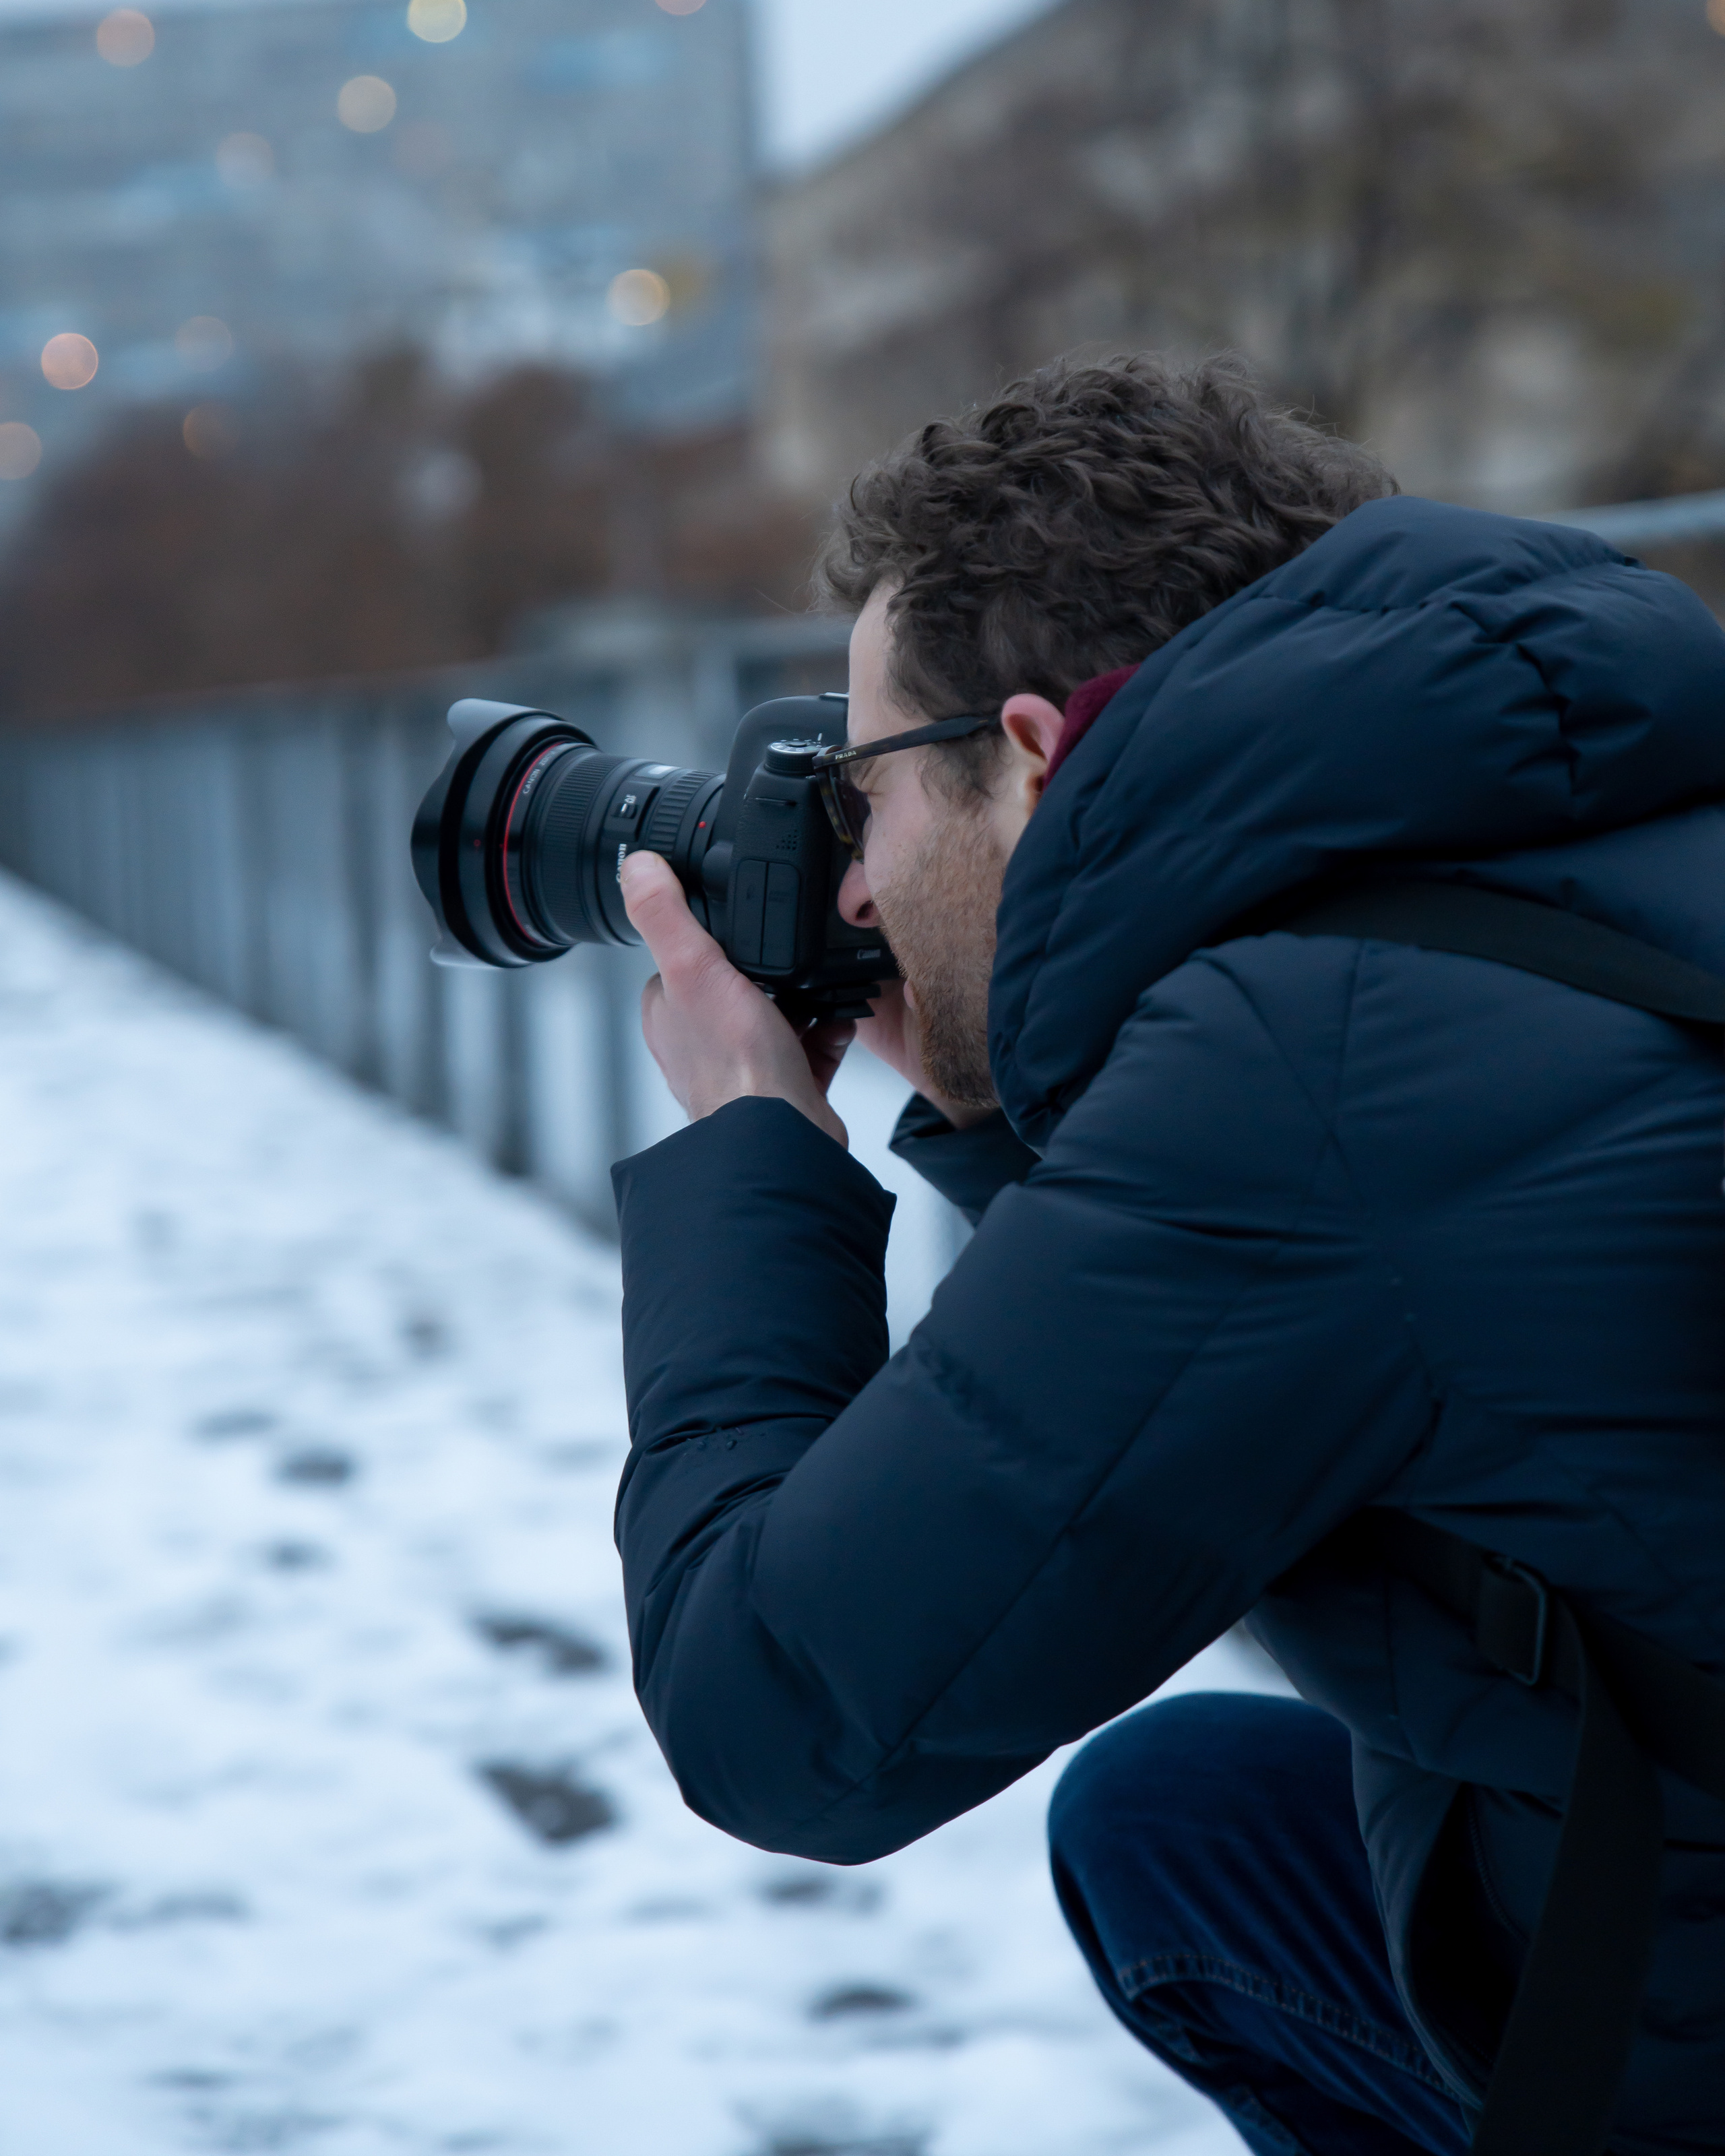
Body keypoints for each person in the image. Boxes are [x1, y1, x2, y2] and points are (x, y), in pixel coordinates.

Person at [607, 352, 1725, 2153]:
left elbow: (785, 1712)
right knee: (1180, 1823)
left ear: (1036, 755)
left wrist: (755, 1150)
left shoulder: (1304, 1081)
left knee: (1159, 1828)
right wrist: (1000, 1096)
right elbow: (1340, 1294)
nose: (856, 894)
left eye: (877, 792)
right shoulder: (1579, 821)